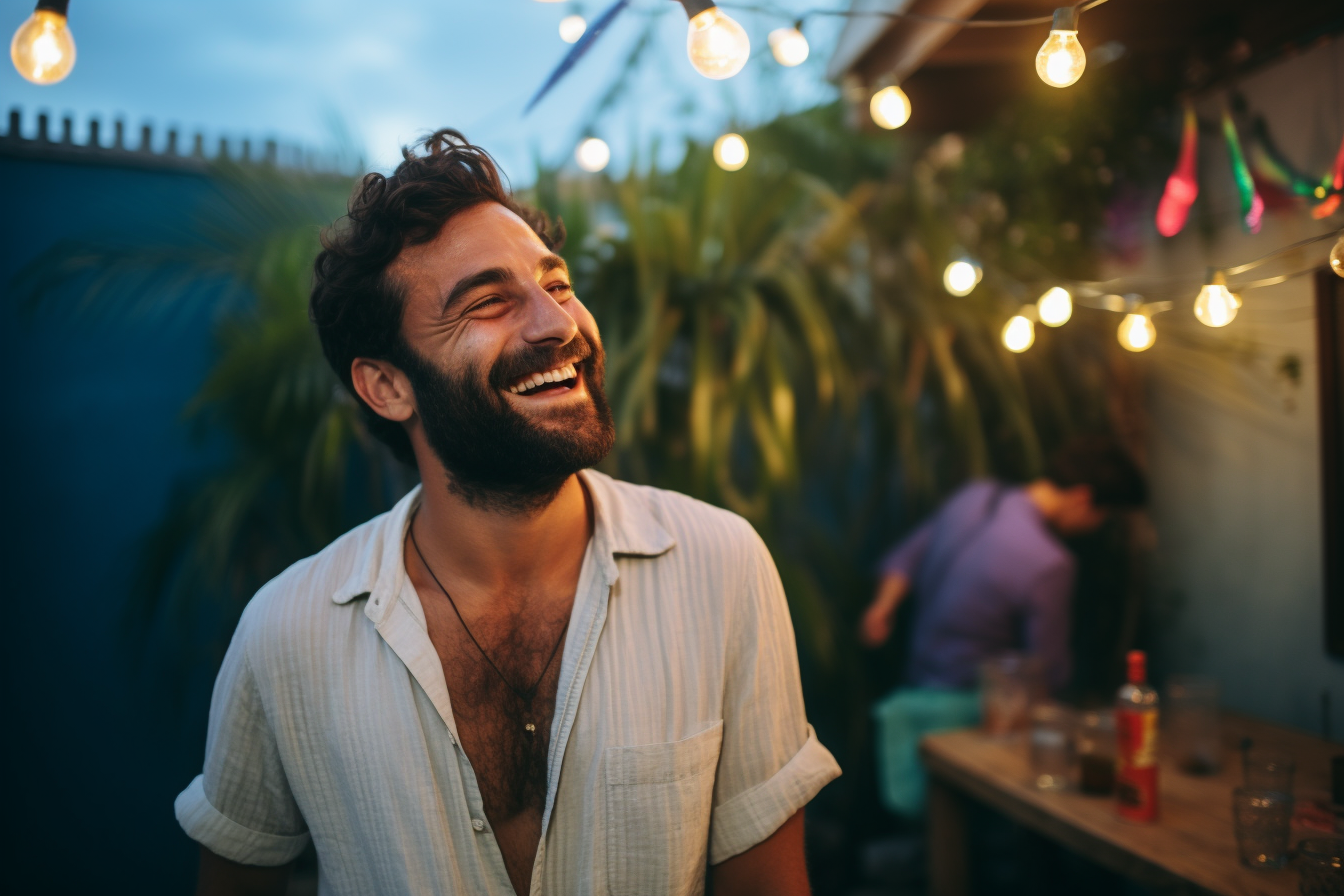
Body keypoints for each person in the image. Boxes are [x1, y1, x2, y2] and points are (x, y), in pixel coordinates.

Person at [175, 130, 840, 896]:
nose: (556, 324)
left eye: (557, 286)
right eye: (490, 303)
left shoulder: (719, 568)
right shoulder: (287, 633)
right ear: (387, 386)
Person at [859, 436, 1145, 815]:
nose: (1095, 527)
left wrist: (882, 608)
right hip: (970, 713)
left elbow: (904, 557)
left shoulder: (975, 496)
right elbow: (1050, 672)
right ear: (1081, 497)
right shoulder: (1050, 563)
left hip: (914, 685)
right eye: (1102, 516)